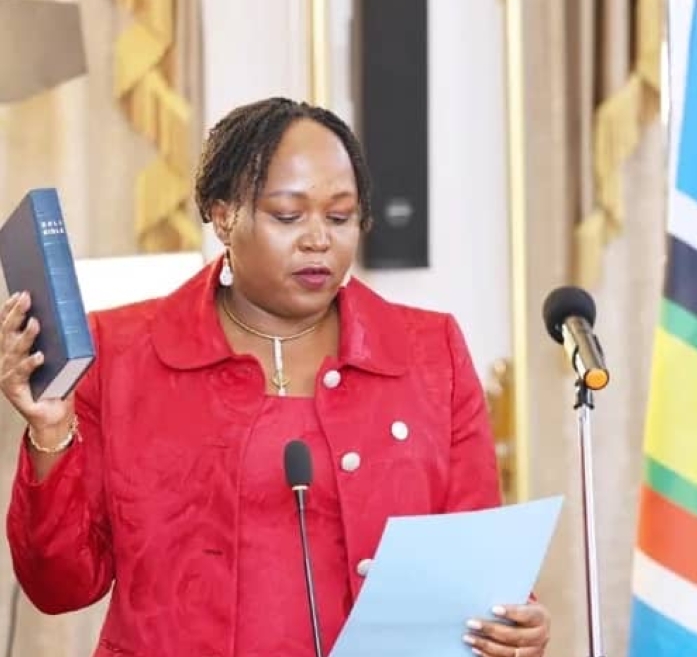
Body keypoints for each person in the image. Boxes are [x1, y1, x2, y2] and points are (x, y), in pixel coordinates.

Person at [0, 97, 551, 657]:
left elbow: (473, 559)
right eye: (288, 216)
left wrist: (512, 621)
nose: (319, 240)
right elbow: (60, 586)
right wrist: (50, 432)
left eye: (340, 217)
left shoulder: (430, 352)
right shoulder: (120, 354)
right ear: (222, 215)